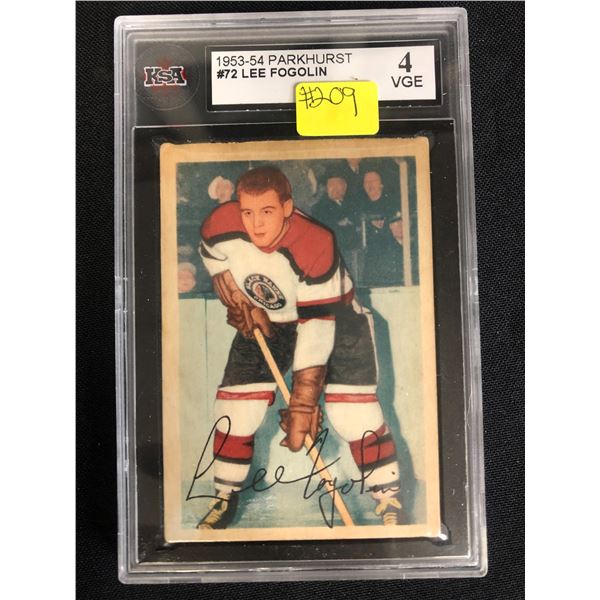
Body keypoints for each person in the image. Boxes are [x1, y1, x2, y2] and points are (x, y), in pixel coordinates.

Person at [196, 166, 404, 529]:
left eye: (267, 211)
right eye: (247, 212)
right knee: (234, 409)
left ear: (288, 208)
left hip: (338, 320)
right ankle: (224, 496)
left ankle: (388, 498)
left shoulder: (315, 242)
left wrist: (303, 403)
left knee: (352, 413)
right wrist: (238, 297)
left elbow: (316, 329)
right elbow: (212, 255)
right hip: (269, 322)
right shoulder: (220, 224)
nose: (255, 224)